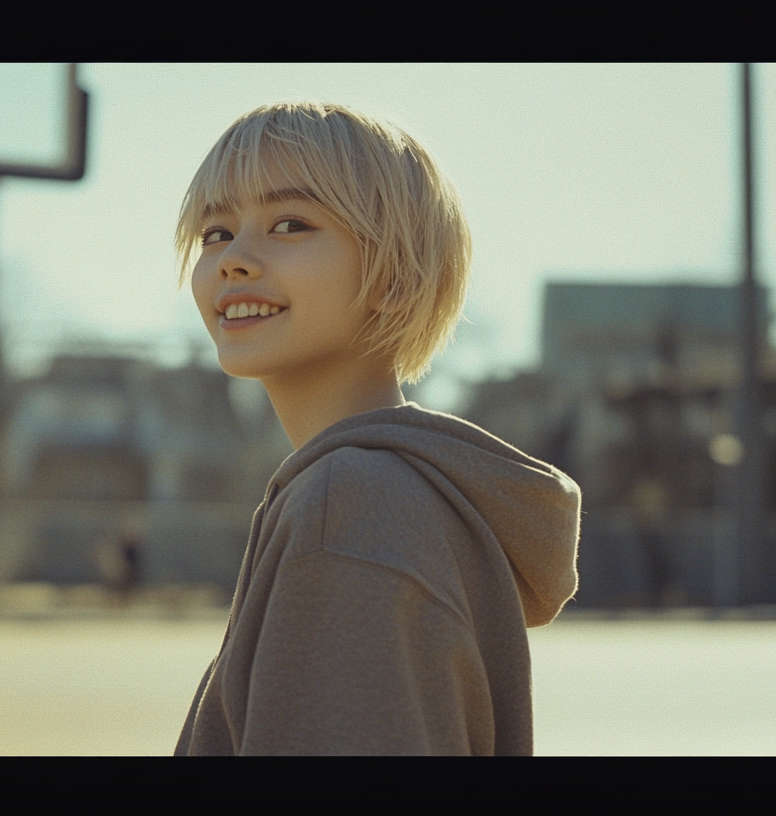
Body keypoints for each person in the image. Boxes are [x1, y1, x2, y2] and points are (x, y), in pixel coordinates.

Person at [172, 103, 581, 755]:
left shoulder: (349, 503)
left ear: (393, 276)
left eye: (289, 223)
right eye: (215, 232)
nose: (234, 259)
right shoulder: (405, 495)